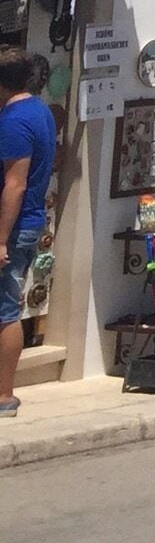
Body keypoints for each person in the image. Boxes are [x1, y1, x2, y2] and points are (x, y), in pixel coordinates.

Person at [0, 46, 58, 419]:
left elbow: (15, 184)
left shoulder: (15, 121)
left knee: (4, 311)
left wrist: (1, 238)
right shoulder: (39, 111)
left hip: (15, 227)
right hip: (28, 223)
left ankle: (4, 395)